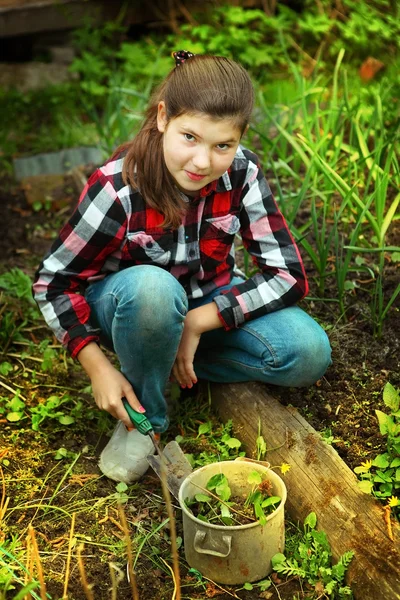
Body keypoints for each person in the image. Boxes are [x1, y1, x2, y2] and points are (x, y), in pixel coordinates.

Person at [33, 51, 331, 484]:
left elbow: (287, 274)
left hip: (205, 302)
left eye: (222, 145)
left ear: (240, 138)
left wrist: (196, 323)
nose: (203, 162)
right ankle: (147, 417)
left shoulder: (241, 174)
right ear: (162, 118)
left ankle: (158, 364)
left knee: (308, 353)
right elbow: (53, 284)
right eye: (189, 136)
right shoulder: (117, 187)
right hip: (132, 305)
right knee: (154, 291)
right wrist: (97, 366)